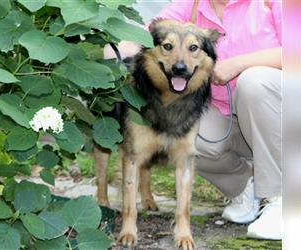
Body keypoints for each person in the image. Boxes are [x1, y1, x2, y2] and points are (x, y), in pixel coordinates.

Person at [104, 0, 282, 240]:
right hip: (226, 116)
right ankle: (245, 188)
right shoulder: (192, 4)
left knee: (254, 83)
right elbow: (149, 35)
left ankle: (281, 199)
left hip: (279, 113)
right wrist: (117, 47)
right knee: (186, 138)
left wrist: (238, 64)